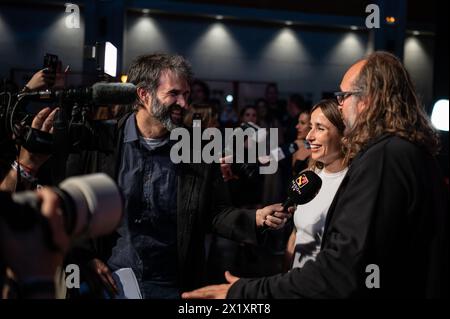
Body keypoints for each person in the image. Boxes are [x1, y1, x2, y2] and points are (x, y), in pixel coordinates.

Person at [182, 51, 448, 299]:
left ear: (368, 101)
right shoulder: (415, 154)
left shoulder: (385, 157)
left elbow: (340, 271)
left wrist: (245, 292)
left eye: (343, 96)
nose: (340, 106)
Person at [65, 53, 292, 299]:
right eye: (173, 94)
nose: (183, 103)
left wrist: (255, 218)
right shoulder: (101, 142)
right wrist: (84, 256)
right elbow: (71, 205)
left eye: (186, 94)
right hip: (109, 281)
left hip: (172, 284)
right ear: (144, 95)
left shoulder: (197, 147)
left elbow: (214, 212)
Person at [284, 99, 347, 270]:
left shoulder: (352, 184)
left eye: (320, 128)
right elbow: (295, 234)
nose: (309, 136)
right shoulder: (308, 176)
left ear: (343, 135)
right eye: (310, 126)